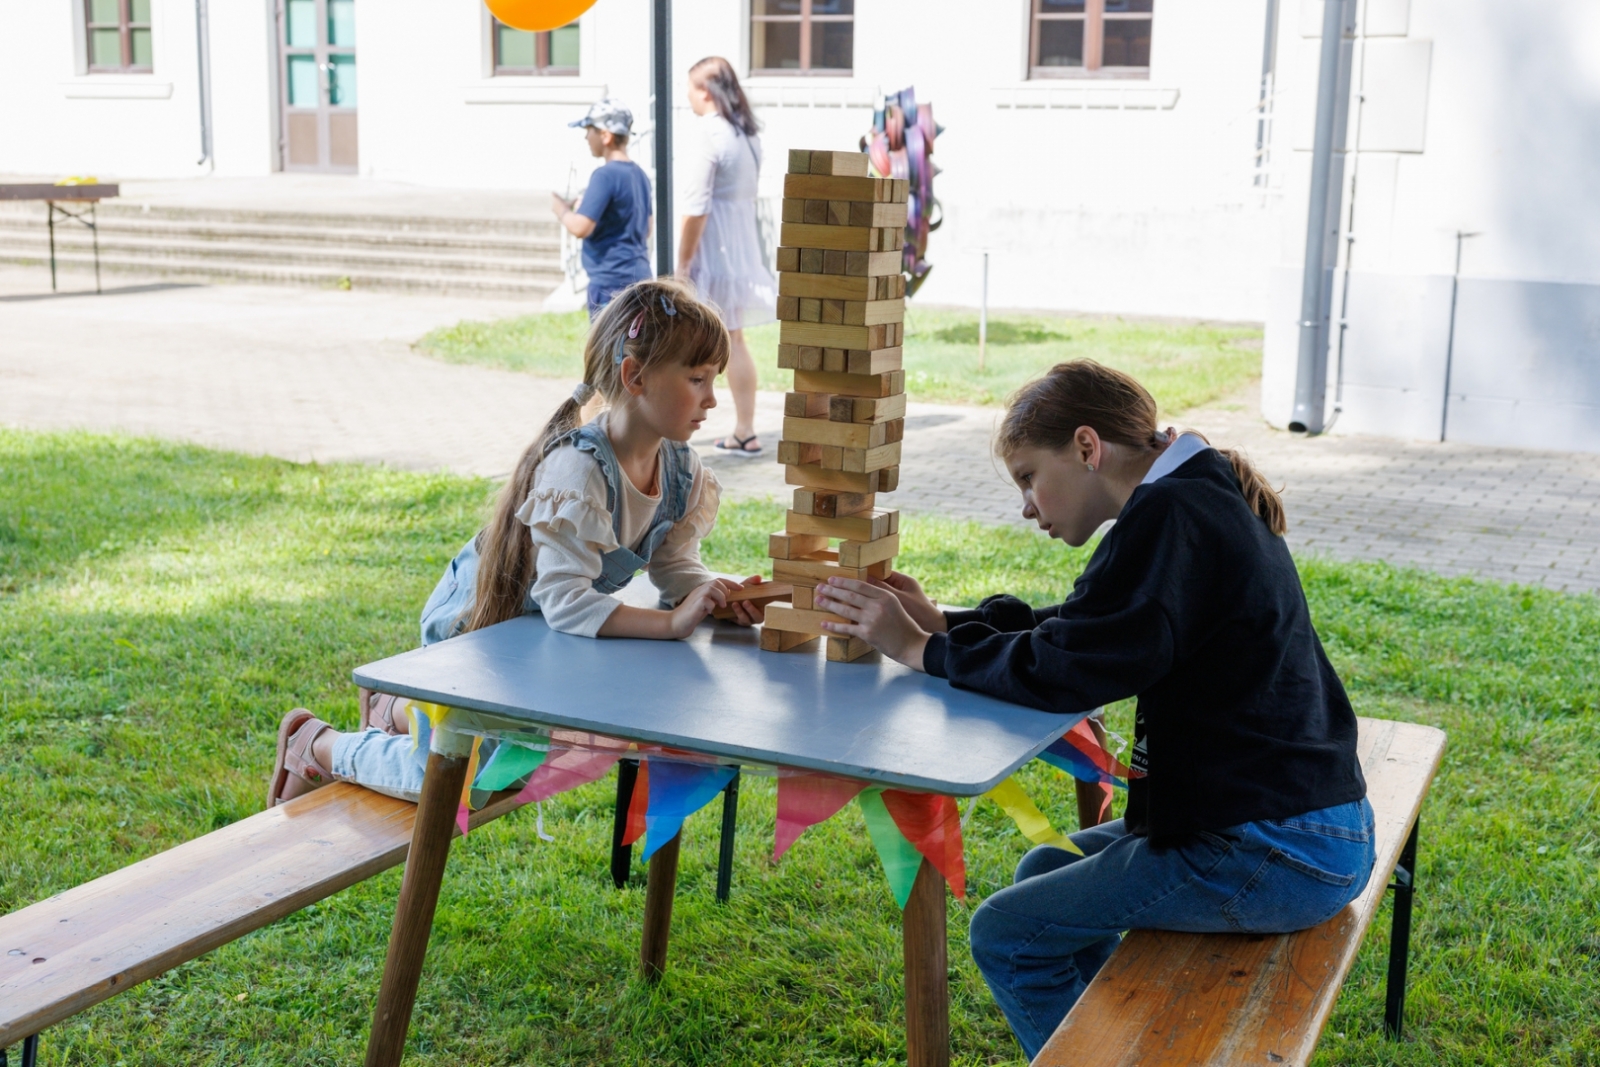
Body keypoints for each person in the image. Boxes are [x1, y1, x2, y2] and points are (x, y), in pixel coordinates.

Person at [811, 360, 1376, 1059]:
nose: (1026, 505)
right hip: (1294, 825)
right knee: (1041, 869)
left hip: (1275, 847)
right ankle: (1124, 1047)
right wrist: (951, 626)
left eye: (1027, 476)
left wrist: (924, 649)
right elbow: (1090, 631)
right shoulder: (1189, 495)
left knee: (1007, 934)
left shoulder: (1169, 517)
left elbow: (1068, 671)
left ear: (1086, 447)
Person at [266, 279, 766, 808]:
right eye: (697, 378)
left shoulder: (681, 468)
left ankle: (394, 709)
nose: (713, 398)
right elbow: (568, 601)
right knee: (460, 786)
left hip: (534, 636)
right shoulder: (580, 470)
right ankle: (319, 744)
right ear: (634, 376)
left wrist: (711, 595)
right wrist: (669, 623)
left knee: (510, 769)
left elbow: (674, 565)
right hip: (477, 620)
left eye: (713, 379)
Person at [678, 56, 777, 458]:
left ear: (704, 91)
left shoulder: (709, 133)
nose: (687, 97)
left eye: (689, 89)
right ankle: (745, 429)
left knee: (686, 343)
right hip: (741, 252)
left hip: (711, 253)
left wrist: (682, 263)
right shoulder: (747, 134)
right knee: (733, 339)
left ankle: (673, 427)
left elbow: (697, 205)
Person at [552, 98, 654, 319]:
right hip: (641, 279)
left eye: (589, 130)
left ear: (605, 136)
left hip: (611, 284)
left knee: (609, 352)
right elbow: (647, 229)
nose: (586, 137)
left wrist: (561, 209)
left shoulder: (605, 175)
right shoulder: (640, 175)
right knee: (636, 350)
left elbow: (581, 227)